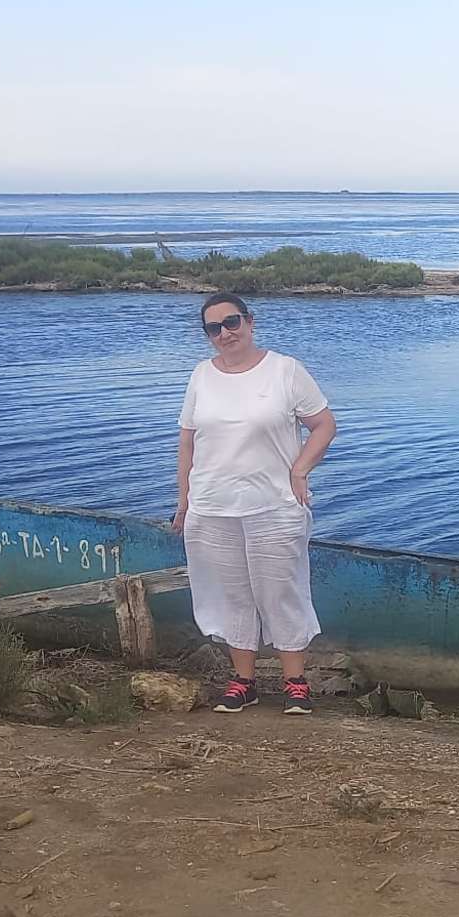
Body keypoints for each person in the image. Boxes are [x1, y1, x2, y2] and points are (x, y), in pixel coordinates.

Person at [173, 292, 337, 713]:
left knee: (282, 589)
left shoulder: (285, 370)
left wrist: (299, 470)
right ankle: (243, 682)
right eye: (214, 328)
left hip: (274, 504)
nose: (224, 333)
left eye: (232, 322)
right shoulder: (200, 376)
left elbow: (323, 425)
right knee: (231, 594)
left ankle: (295, 683)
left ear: (250, 321)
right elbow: (188, 440)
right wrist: (184, 500)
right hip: (213, 505)